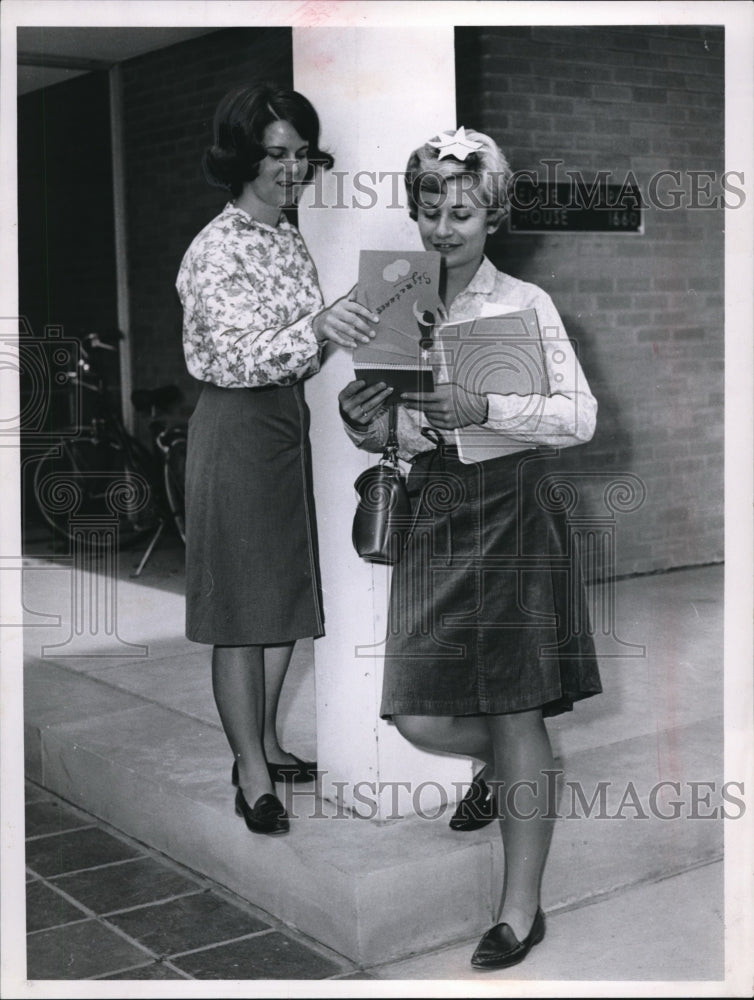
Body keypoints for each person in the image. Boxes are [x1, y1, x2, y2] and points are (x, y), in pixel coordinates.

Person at [338, 127, 602, 968]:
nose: (443, 227)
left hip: (515, 514)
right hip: (435, 513)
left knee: (518, 707)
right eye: (430, 209)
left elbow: (579, 419)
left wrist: (485, 410)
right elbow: (386, 421)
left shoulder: (525, 304)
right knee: (417, 712)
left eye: (462, 211)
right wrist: (367, 419)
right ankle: (517, 770)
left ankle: (519, 910)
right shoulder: (392, 298)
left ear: (492, 215)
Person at [176, 84, 377, 836]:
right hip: (234, 425)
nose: (293, 171)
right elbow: (229, 359)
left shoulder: (285, 237)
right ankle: (250, 775)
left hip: (282, 424)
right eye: (277, 155)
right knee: (241, 613)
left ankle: (265, 742)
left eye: (302, 156)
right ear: (242, 157)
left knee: (281, 599)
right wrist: (319, 326)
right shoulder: (216, 247)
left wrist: (352, 313)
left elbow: (301, 341)